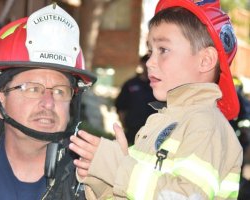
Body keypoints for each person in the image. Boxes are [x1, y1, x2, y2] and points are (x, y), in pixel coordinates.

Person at [69, 0, 243, 199]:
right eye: (151, 51)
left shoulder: (206, 125)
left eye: (163, 50)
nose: (150, 62)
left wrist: (118, 167)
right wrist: (101, 179)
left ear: (205, 60)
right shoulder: (160, 123)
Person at [0, 3, 96, 200]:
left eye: (60, 91)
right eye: (33, 89)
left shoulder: (94, 181)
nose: (49, 103)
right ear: (0, 102)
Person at [115, 54, 157, 145]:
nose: (148, 66)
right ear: (141, 64)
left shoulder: (159, 85)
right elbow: (121, 107)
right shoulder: (130, 84)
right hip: (132, 132)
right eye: (145, 62)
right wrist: (125, 124)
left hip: (153, 134)